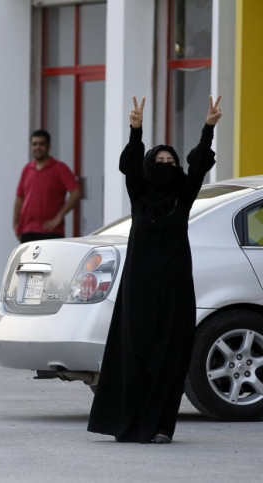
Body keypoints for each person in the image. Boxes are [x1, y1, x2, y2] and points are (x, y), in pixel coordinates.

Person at [87, 95, 222, 444]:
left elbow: (199, 166)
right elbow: (130, 166)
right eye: (159, 159)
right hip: (140, 286)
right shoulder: (139, 193)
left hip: (175, 285)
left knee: (170, 353)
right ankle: (130, 423)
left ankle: (162, 425)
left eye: (170, 160)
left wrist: (208, 128)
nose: (165, 164)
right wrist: (136, 130)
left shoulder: (184, 193)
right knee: (138, 352)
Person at [13, 129, 81, 242]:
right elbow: (19, 197)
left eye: (41, 144)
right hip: (27, 231)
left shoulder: (60, 168)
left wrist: (59, 217)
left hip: (51, 231)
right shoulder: (27, 169)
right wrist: (15, 224)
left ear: (49, 146)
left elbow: (76, 192)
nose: (37, 147)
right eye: (34, 144)